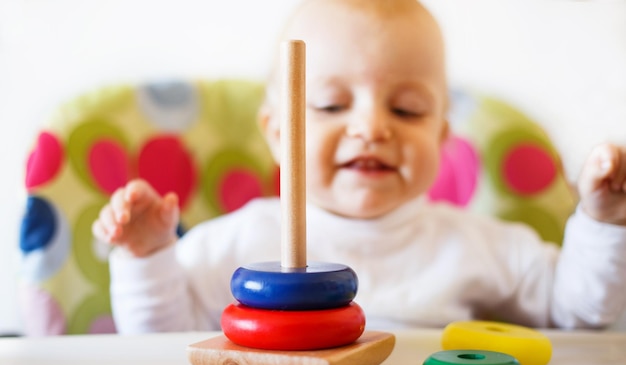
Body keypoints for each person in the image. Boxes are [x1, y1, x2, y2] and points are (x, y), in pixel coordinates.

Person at [93, 0, 626, 333]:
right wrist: (147, 258)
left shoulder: (479, 247)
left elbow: (579, 313)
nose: (372, 127)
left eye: (406, 109)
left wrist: (603, 221)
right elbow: (160, 344)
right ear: (279, 133)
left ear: (441, 137)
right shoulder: (240, 242)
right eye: (330, 105)